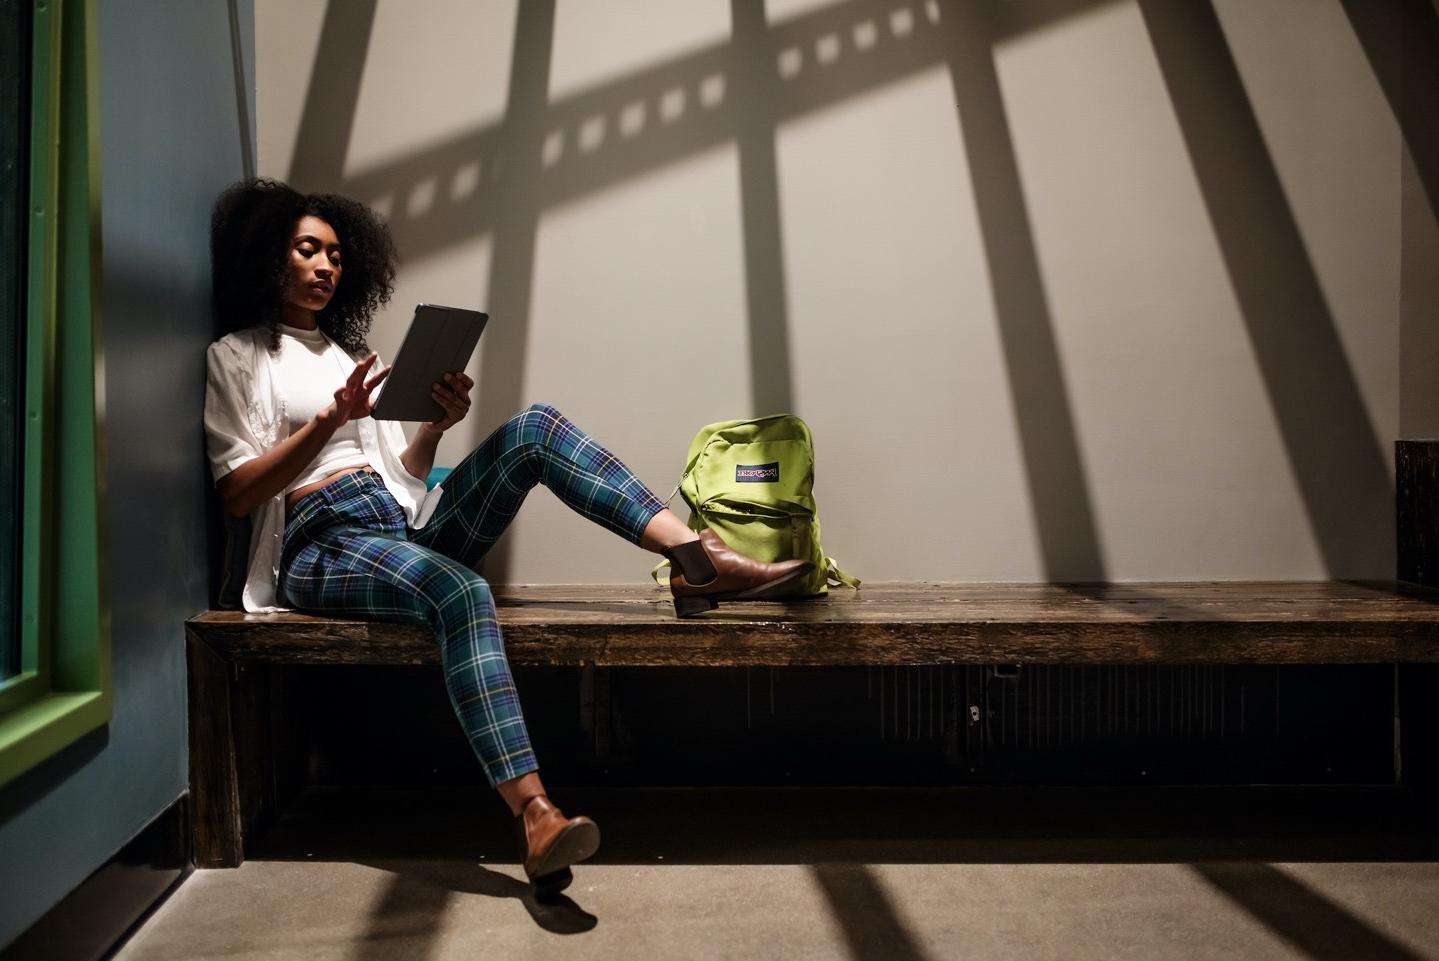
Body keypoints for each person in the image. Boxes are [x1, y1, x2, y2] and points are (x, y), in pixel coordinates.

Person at [202, 178, 811, 897]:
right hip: (321, 541)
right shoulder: (236, 356)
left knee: (535, 427)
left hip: (394, 522)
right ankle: (535, 813)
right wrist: (328, 422)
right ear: (269, 256)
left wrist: (434, 425)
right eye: (309, 250)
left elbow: (401, 476)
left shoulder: (344, 355)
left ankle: (691, 558)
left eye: (337, 254)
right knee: (461, 591)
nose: (327, 266)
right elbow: (238, 494)